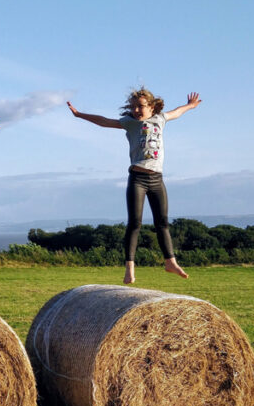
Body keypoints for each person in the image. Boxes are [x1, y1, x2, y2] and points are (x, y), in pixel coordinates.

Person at [67, 88, 201, 283]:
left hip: (157, 179)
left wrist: (189, 106)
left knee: (162, 222)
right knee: (134, 223)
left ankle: (170, 262)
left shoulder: (160, 119)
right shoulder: (129, 123)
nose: (137, 110)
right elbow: (104, 121)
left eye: (141, 106)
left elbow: (177, 112)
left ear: (152, 107)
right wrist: (79, 115)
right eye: (134, 106)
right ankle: (130, 268)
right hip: (137, 178)